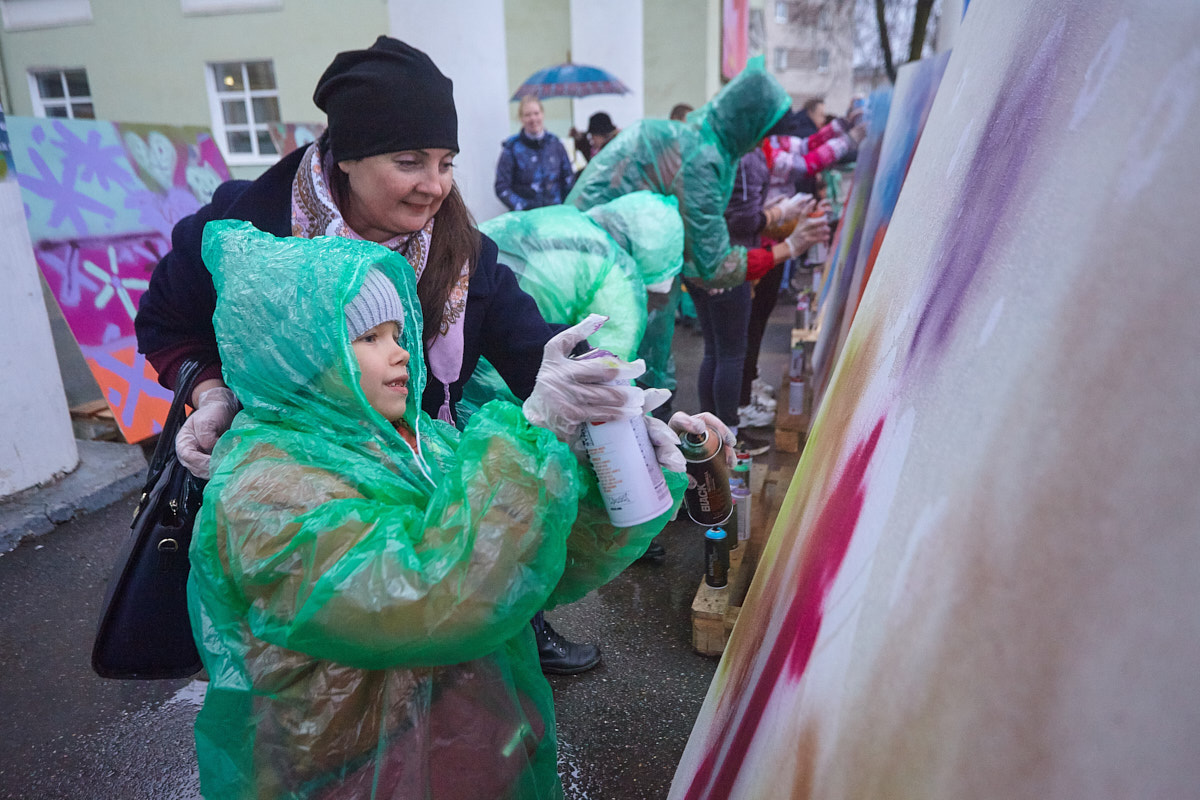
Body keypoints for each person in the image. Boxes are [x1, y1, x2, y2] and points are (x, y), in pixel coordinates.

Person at [189, 219, 706, 799]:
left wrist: (621, 473)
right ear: (299, 356)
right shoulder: (265, 490)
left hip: (477, 755)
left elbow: (530, 567)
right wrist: (526, 440)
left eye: (397, 332)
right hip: (351, 774)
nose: (399, 352)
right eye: (368, 338)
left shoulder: (423, 441)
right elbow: (433, 596)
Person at [135, 36, 601, 675]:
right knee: (323, 674)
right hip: (301, 500)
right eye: (410, 161)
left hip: (422, 477)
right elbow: (166, 322)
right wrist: (210, 394)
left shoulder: (461, 253)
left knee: (444, 639)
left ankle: (523, 622)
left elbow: (535, 350)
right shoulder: (249, 232)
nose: (434, 187)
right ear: (346, 157)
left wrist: (620, 402)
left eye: (446, 162)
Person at [567, 57, 798, 450]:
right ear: (746, 123)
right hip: (616, 271)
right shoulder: (703, 159)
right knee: (630, 376)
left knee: (622, 376)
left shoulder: (691, 140)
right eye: (760, 133)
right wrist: (789, 248)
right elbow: (713, 265)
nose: (761, 144)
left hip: (607, 261)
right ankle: (639, 479)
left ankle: (638, 469)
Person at [494, 94, 576, 211]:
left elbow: (568, 180)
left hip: (555, 215)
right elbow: (501, 187)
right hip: (525, 219)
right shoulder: (512, 148)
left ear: (542, 114)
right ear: (521, 118)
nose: (533, 119)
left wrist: (565, 207)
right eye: (527, 115)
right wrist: (523, 207)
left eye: (536, 113)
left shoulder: (555, 144)